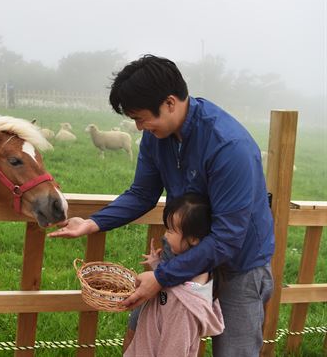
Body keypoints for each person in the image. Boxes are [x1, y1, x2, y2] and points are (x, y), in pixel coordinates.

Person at [48, 54, 274, 357]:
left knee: (235, 350)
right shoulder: (158, 136)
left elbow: (228, 238)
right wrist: (92, 222)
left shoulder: (228, 147)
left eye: (141, 118)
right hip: (182, 248)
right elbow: (142, 193)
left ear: (170, 103)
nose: (139, 127)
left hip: (239, 264)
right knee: (145, 331)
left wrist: (161, 277)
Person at [124, 193, 224, 357]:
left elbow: (174, 350)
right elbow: (170, 285)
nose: (164, 235)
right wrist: (157, 265)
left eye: (171, 230)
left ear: (193, 239)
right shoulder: (182, 272)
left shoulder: (184, 308)